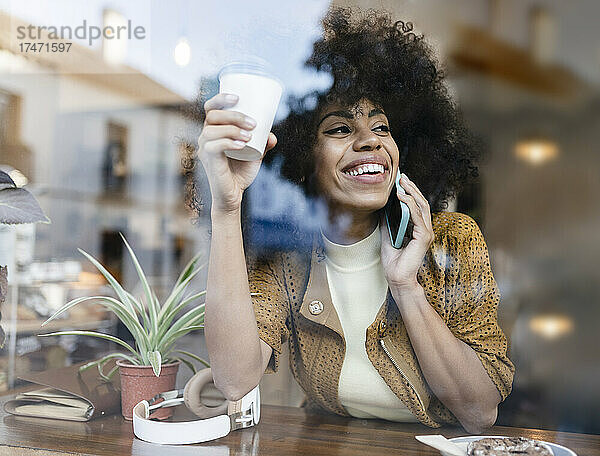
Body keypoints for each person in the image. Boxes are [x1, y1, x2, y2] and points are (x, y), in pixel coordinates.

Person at [197, 6, 514, 433]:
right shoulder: (289, 259)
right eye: (340, 129)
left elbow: (479, 413)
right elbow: (234, 380)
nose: (369, 141)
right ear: (303, 161)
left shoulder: (451, 240)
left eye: (381, 127)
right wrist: (227, 207)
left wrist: (406, 287)